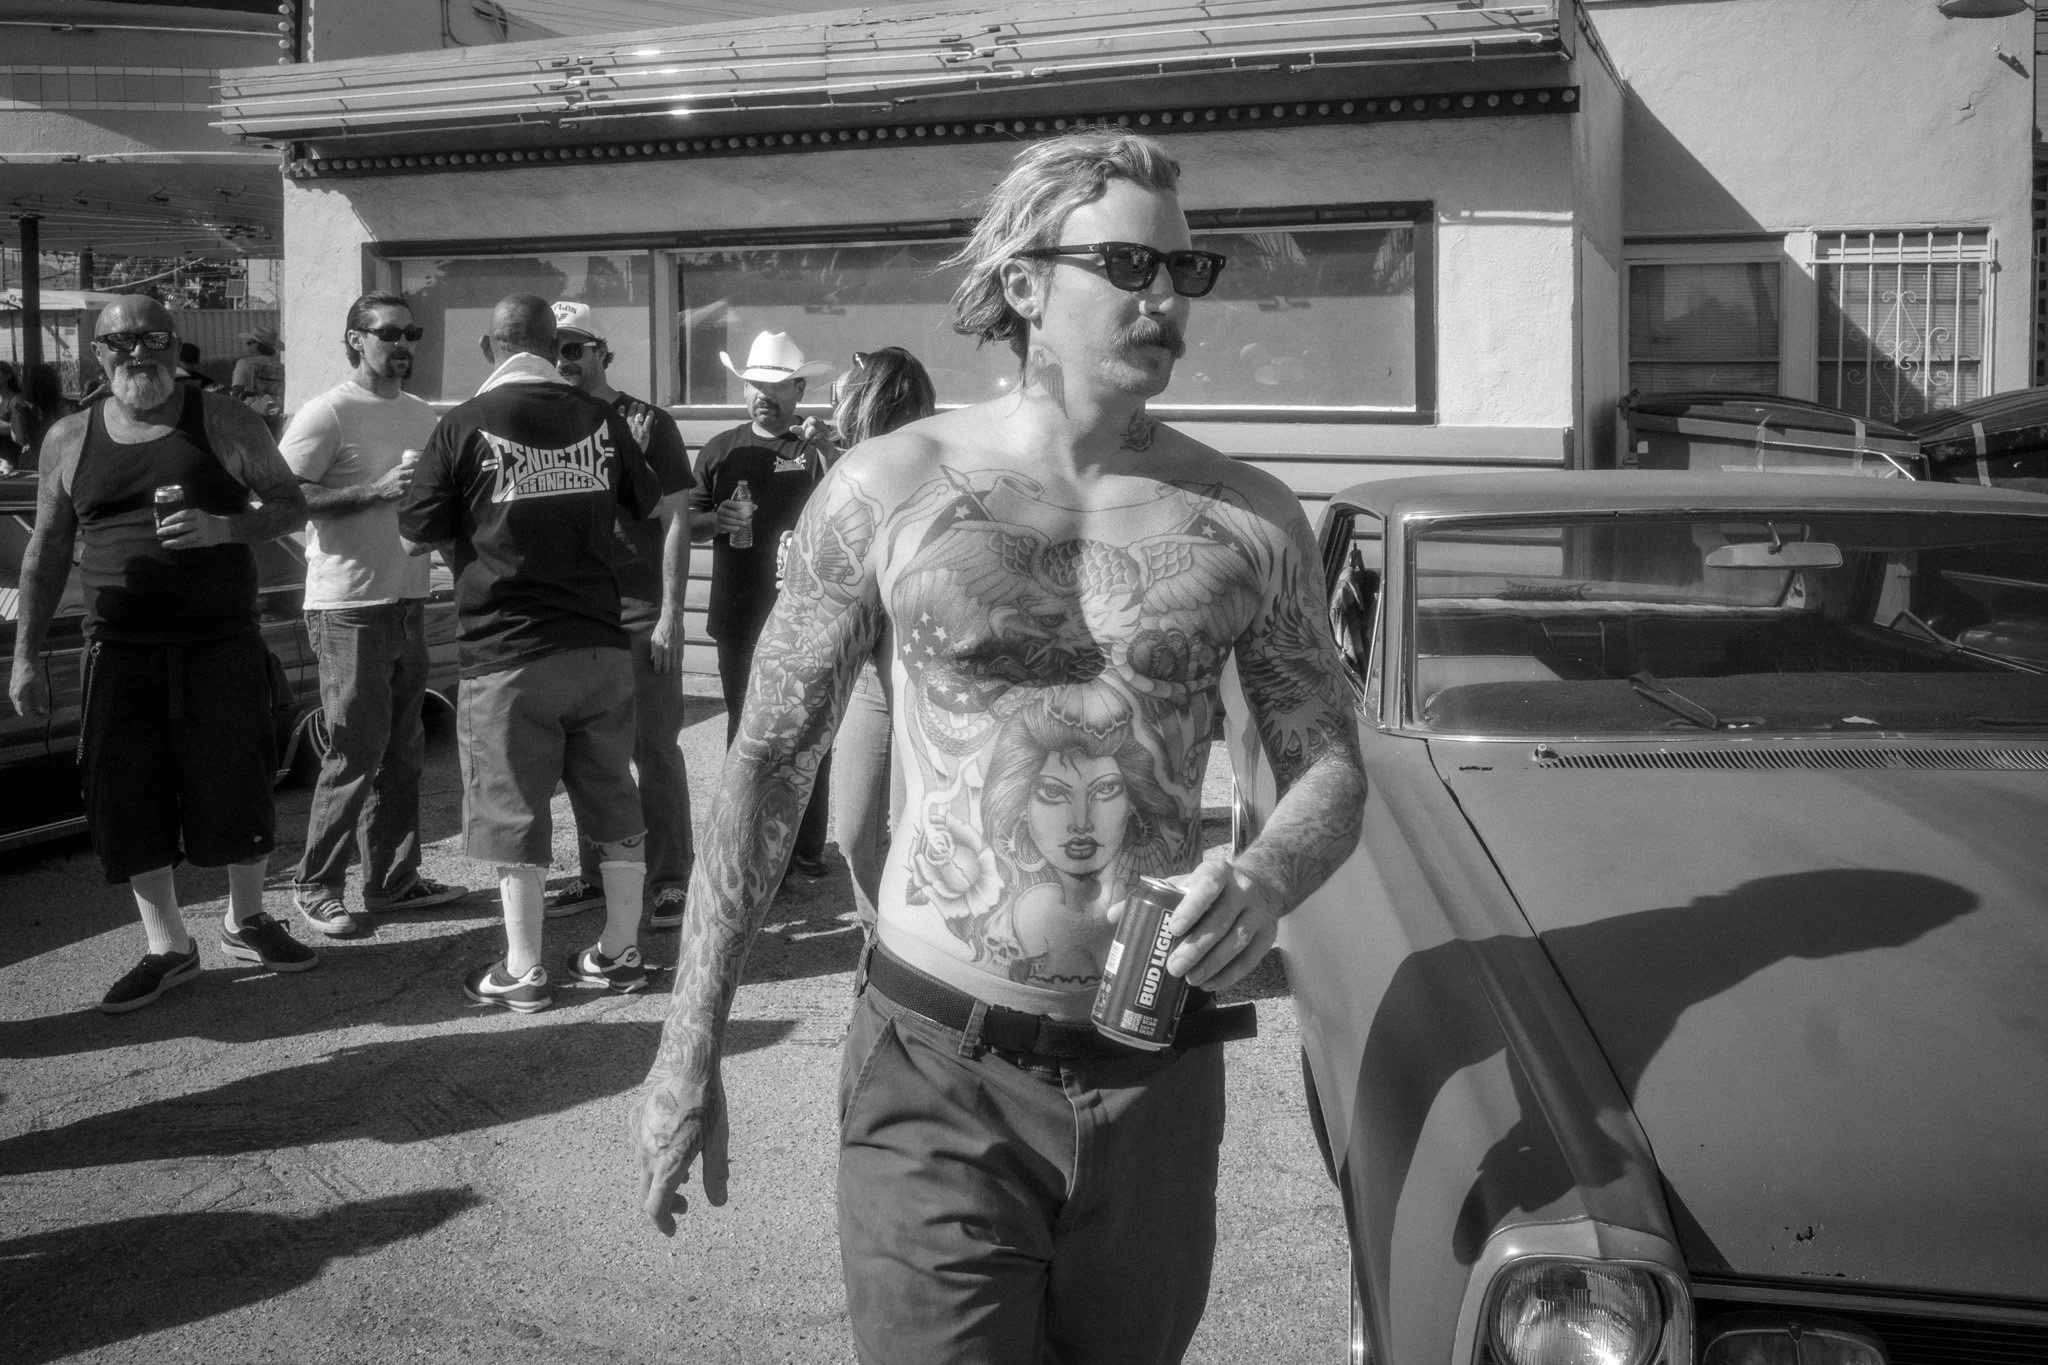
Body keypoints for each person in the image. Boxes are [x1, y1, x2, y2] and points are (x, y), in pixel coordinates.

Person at [629, 131, 1368, 1363]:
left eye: (1186, 270)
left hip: (1152, 1061)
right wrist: (684, 1046)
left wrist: (1266, 873)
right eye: (1128, 262)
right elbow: (766, 764)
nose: (1163, 296)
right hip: (939, 1063)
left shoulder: (1246, 518)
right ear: (1026, 283)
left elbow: (1330, 765)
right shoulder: (887, 488)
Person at [6, 295, 319, 1014]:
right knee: (126, 795)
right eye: (119, 342)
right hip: (117, 648)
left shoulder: (222, 420)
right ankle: (168, 944)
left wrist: (224, 526)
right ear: (97, 355)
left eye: (152, 338)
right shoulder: (68, 437)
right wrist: (25, 655)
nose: (137, 352)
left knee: (237, 780)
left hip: (219, 641)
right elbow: (48, 552)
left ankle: (247, 917)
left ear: (177, 347)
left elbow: (292, 504)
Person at [397, 294, 661, 1014]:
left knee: (514, 812)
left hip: (509, 652)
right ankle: (619, 951)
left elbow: (414, 531)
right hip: (601, 646)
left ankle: (522, 968)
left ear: (489, 346)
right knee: (614, 798)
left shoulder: (462, 424)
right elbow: (648, 501)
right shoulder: (602, 418)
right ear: (556, 346)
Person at [282, 291, 468, 939]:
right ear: (355, 339)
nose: (403, 344)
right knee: (354, 750)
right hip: (346, 607)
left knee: (403, 751)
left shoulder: (423, 415)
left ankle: (392, 880)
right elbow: (284, 499)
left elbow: (435, 505)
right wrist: (372, 492)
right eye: (388, 333)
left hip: (408, 597)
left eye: (411, 332)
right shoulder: (327, 412)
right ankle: (316, 885)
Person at [541, 301, 699, 929]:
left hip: (639, 615)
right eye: (557, 349)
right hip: (576, 617)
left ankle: (668, 881)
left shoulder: (645, 421)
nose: (565, 360)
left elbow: (678, 519)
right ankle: (595, 874)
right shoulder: (548, 420)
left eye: (577, 348)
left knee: (654, 751)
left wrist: (670, 616)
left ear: (604, 352)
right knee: (588, 757)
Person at [686, 329, 837, 879]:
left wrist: (825, 444)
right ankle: (744, 841)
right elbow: (688, 523)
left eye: (776, 387)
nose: (762, 396)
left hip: (807, 615)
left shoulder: (815, 447)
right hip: (739, 614)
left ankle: (804, 849)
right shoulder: (722, 448)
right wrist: (715, 520)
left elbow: (858, 494)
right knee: (743, 730)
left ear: (799, 389)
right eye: (754, 385)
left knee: (807, 731)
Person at [825, 348, 936, 931]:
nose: (835, 399)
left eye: (846, 389)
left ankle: (905, 959)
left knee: (911, 826)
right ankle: (877, 937)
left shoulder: (933, 468)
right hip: (870, 673)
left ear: (871, 397)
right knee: (852, 832)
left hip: (920, 672)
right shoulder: (844, 470)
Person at [231, 324, 287, 429]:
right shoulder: (282, 367)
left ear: (256, 345)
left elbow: (237, 391)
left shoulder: (244, 363)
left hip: (251, 417)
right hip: (275, 416)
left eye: (249, 342)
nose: (248, 346)